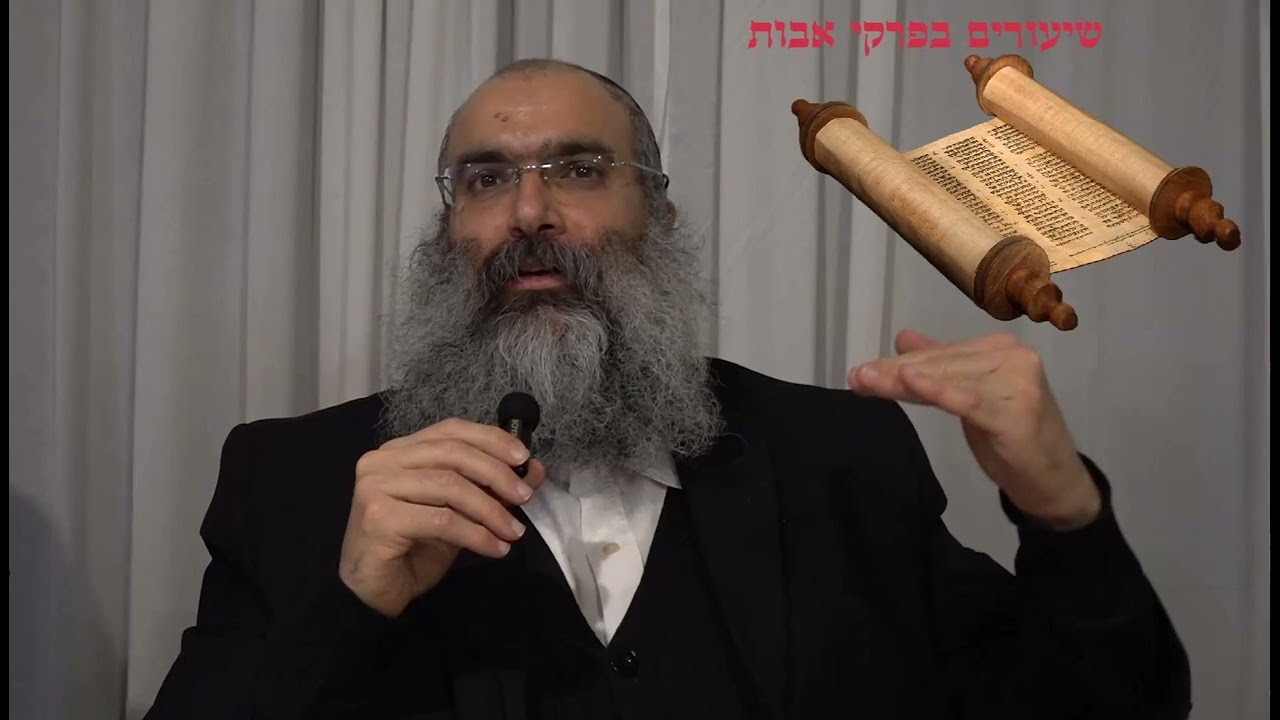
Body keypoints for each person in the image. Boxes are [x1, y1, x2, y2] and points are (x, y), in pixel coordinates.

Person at [145, 58, 1191, 720]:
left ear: (662, 219)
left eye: (579, 169)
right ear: (446, 230)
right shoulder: (294, 480)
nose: (528, 214)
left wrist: (1063, 512)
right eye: (486, 179)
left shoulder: (839, 459)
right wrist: (350, 607)